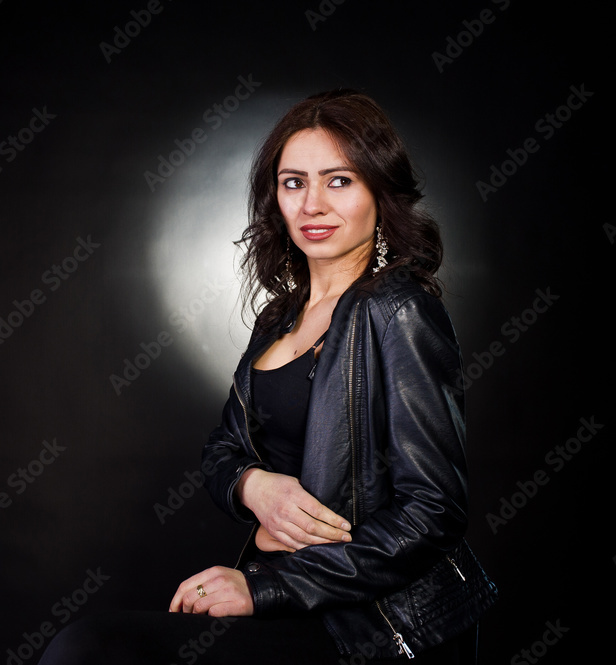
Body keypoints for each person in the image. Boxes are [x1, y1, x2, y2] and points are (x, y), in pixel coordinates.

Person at [37, 89, 497, 664]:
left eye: (339, 180)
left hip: (368, 624)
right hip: (289, 598)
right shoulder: (280, 316)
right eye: (293, 182)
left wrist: (263, 587)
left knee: (91, 650)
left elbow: (433, 513)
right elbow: (224, 448)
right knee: (87, 645)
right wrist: (255, 487)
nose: (312, 205)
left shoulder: (398, 311)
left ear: (380, 191)